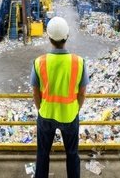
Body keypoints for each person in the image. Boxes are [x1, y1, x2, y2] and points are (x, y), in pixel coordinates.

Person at [30, 16, 89, 178]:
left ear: (49, 38)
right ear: (67, 36)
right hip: (69, 116)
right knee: (72, 154)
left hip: (46, 114)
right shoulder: (79, 62)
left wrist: (41, 108)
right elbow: (82, 92)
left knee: (42, 153)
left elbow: (35, 92)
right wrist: (75, 108)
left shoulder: (39, 62)